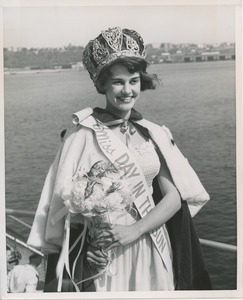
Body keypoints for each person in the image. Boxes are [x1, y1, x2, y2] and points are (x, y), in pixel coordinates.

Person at [27, 26, 212, 292]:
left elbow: (173, 197)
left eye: (133, 80)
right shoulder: (81, 137)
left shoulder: (153, 133)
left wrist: (136, 230)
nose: (127, 90)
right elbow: (62, 212)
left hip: (151, 244)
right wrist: (87, 248)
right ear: (102, 84)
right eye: (117, 82)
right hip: (107, 254)